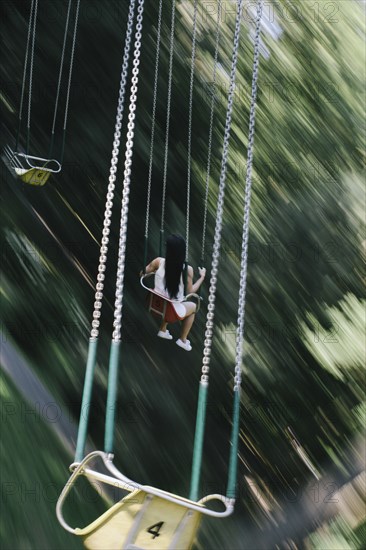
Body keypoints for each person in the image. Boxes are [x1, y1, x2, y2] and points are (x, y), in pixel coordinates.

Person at [142, 234, 206, 351]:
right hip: (171, 312)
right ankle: (183, 339)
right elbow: (190, 291)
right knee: (193, 307)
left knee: (167, 298)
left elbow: (142, 273)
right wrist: (202, 277)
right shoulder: (187, 270)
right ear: (182, 252)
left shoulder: (158, 262)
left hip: (154, 305)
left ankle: (163, 329)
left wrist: (154, 274)